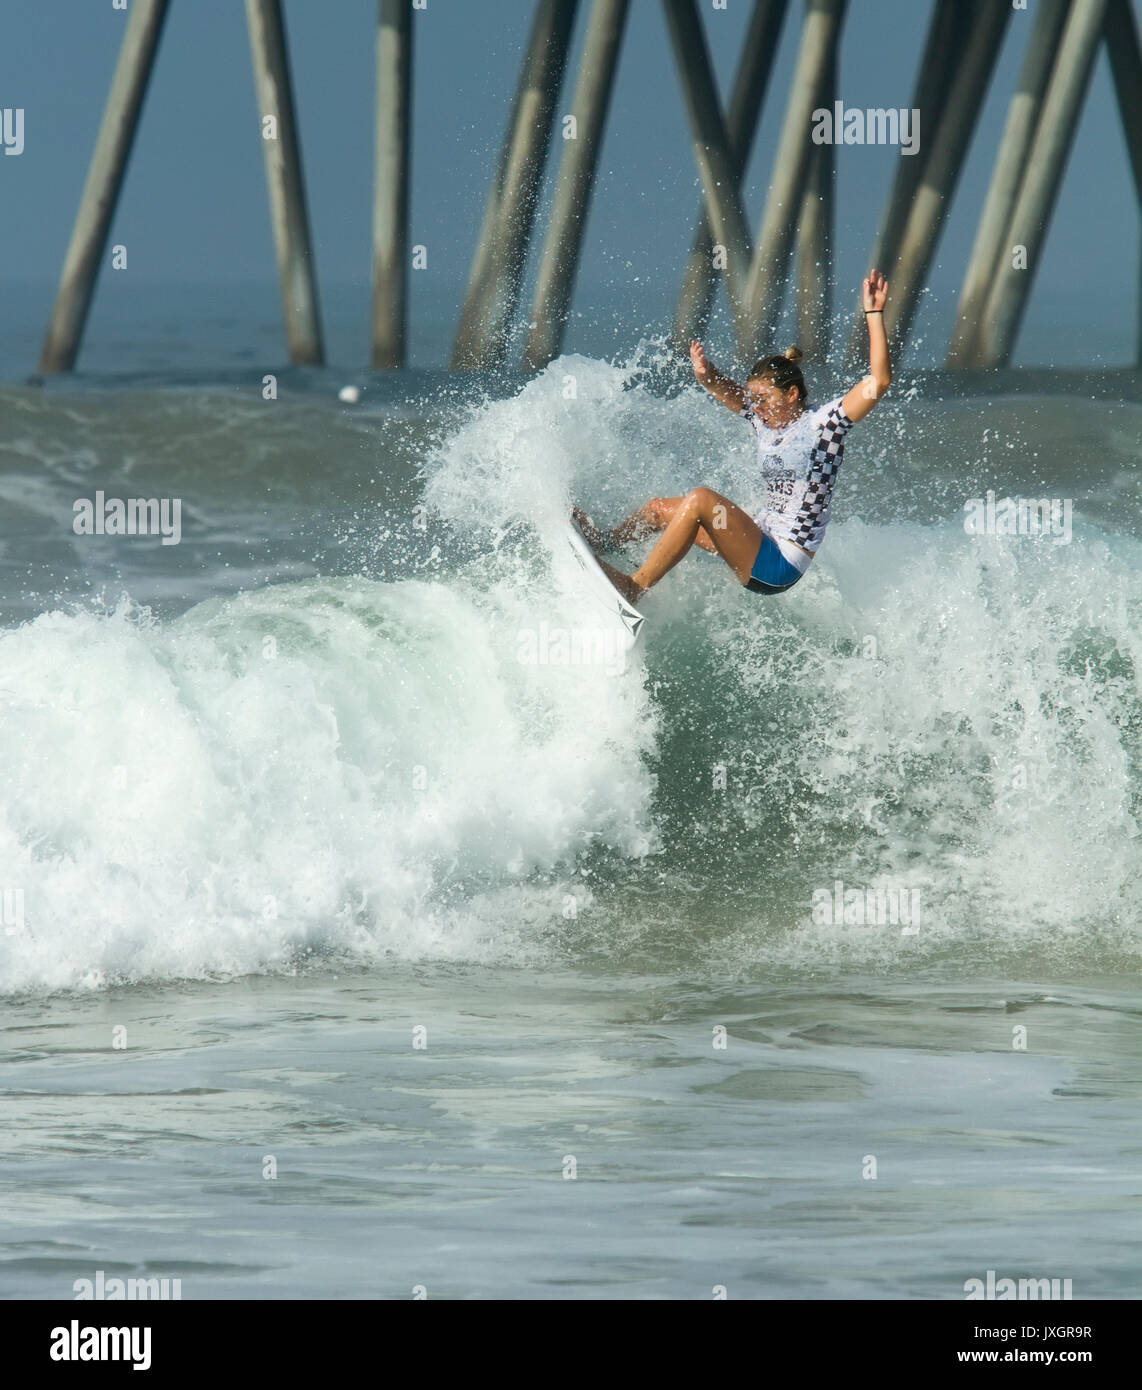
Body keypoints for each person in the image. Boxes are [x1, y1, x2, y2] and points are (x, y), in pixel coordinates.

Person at [578, 270, 892, 606]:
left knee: (700, 499)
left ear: (791, 395)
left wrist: (873, 314)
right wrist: (705, 373)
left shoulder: (824, 425)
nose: (755, 407)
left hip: (781, 563)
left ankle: (634, 587)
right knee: (658, 510)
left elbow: (880, 381)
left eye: (763, 399)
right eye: (753, 400)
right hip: (759, 538)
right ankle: (608, 542)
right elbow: (726, 390)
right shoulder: (766, 421)